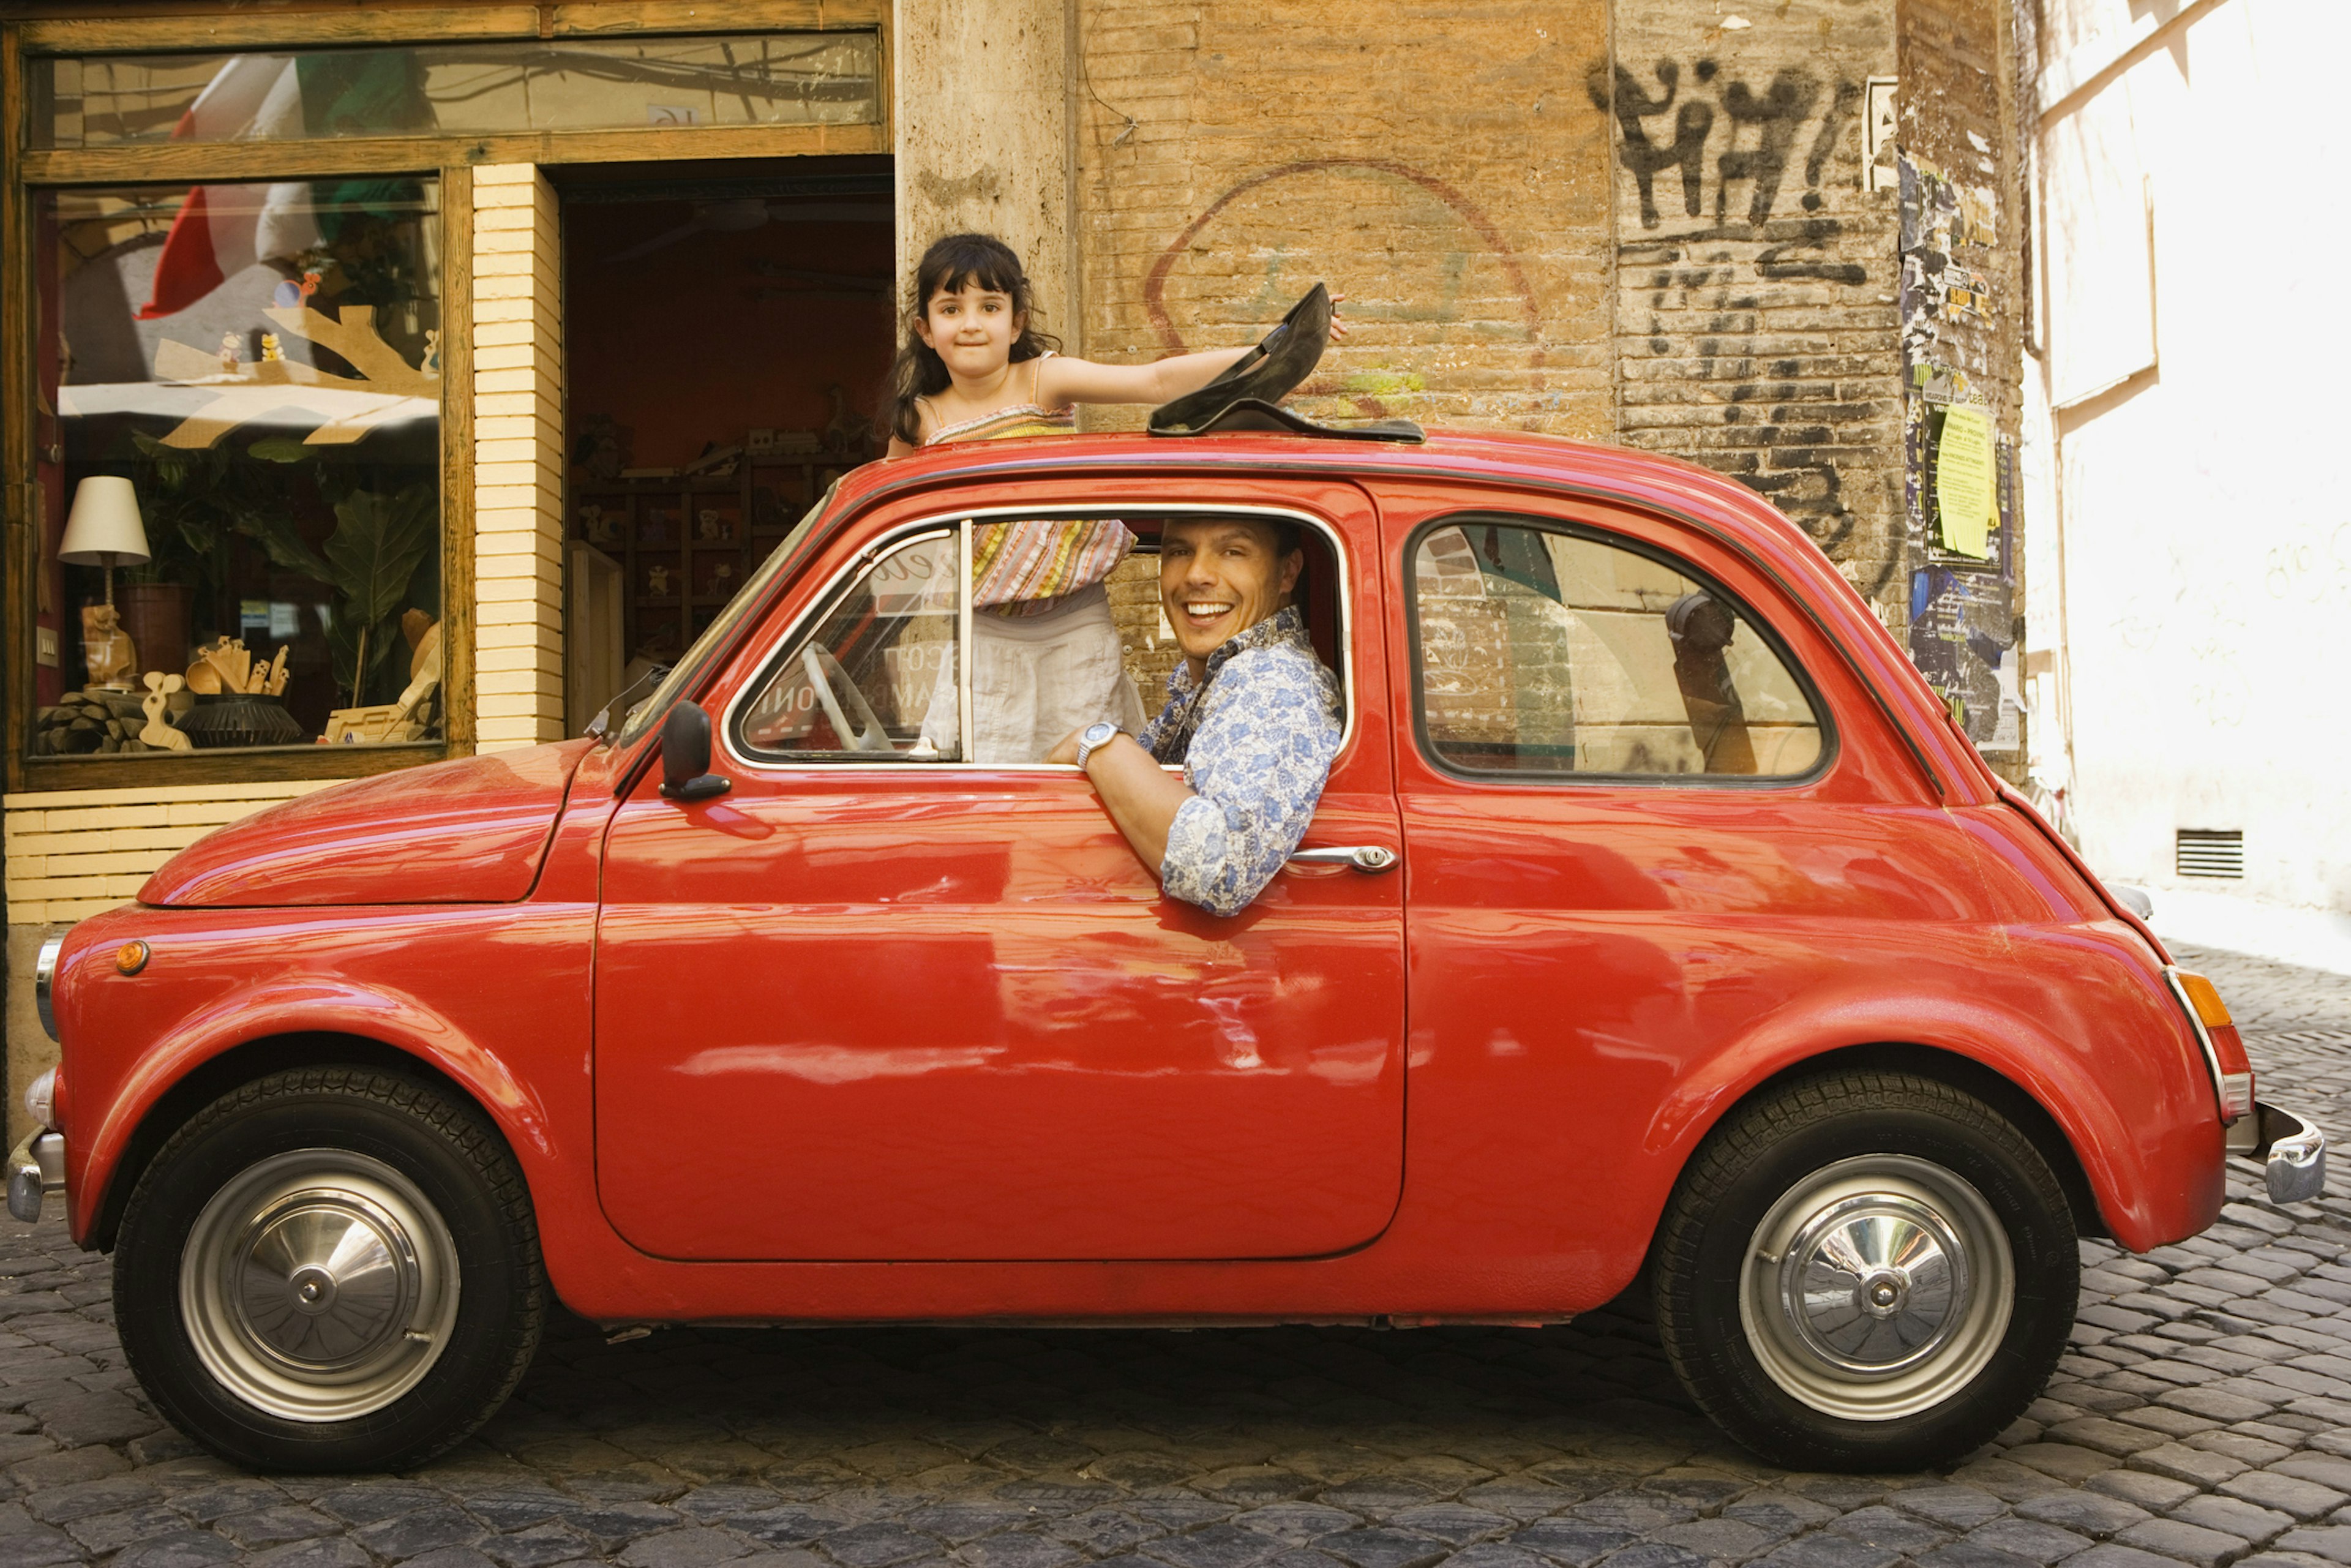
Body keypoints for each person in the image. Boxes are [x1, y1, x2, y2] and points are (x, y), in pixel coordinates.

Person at [881, 233, 1342, 763]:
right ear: (925, 329)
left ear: (1016, 323)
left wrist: (1268, 348)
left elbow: (1154, 380)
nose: (969, 324)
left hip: (1076, 624)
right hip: (983, 634)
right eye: (950, 308)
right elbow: (887, 514)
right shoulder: (919, 419)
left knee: (1088, 774)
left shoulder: (1041, 381)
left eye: (989, 307)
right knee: (985, 782)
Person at [1043, 515, 1342, 917]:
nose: (1197, 574)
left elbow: (1219, 870)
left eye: (1233, 551)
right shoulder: (1223, 677)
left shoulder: (1274, 684)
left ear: (1287, 571)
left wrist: (1099, 744)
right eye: (1180, 551)